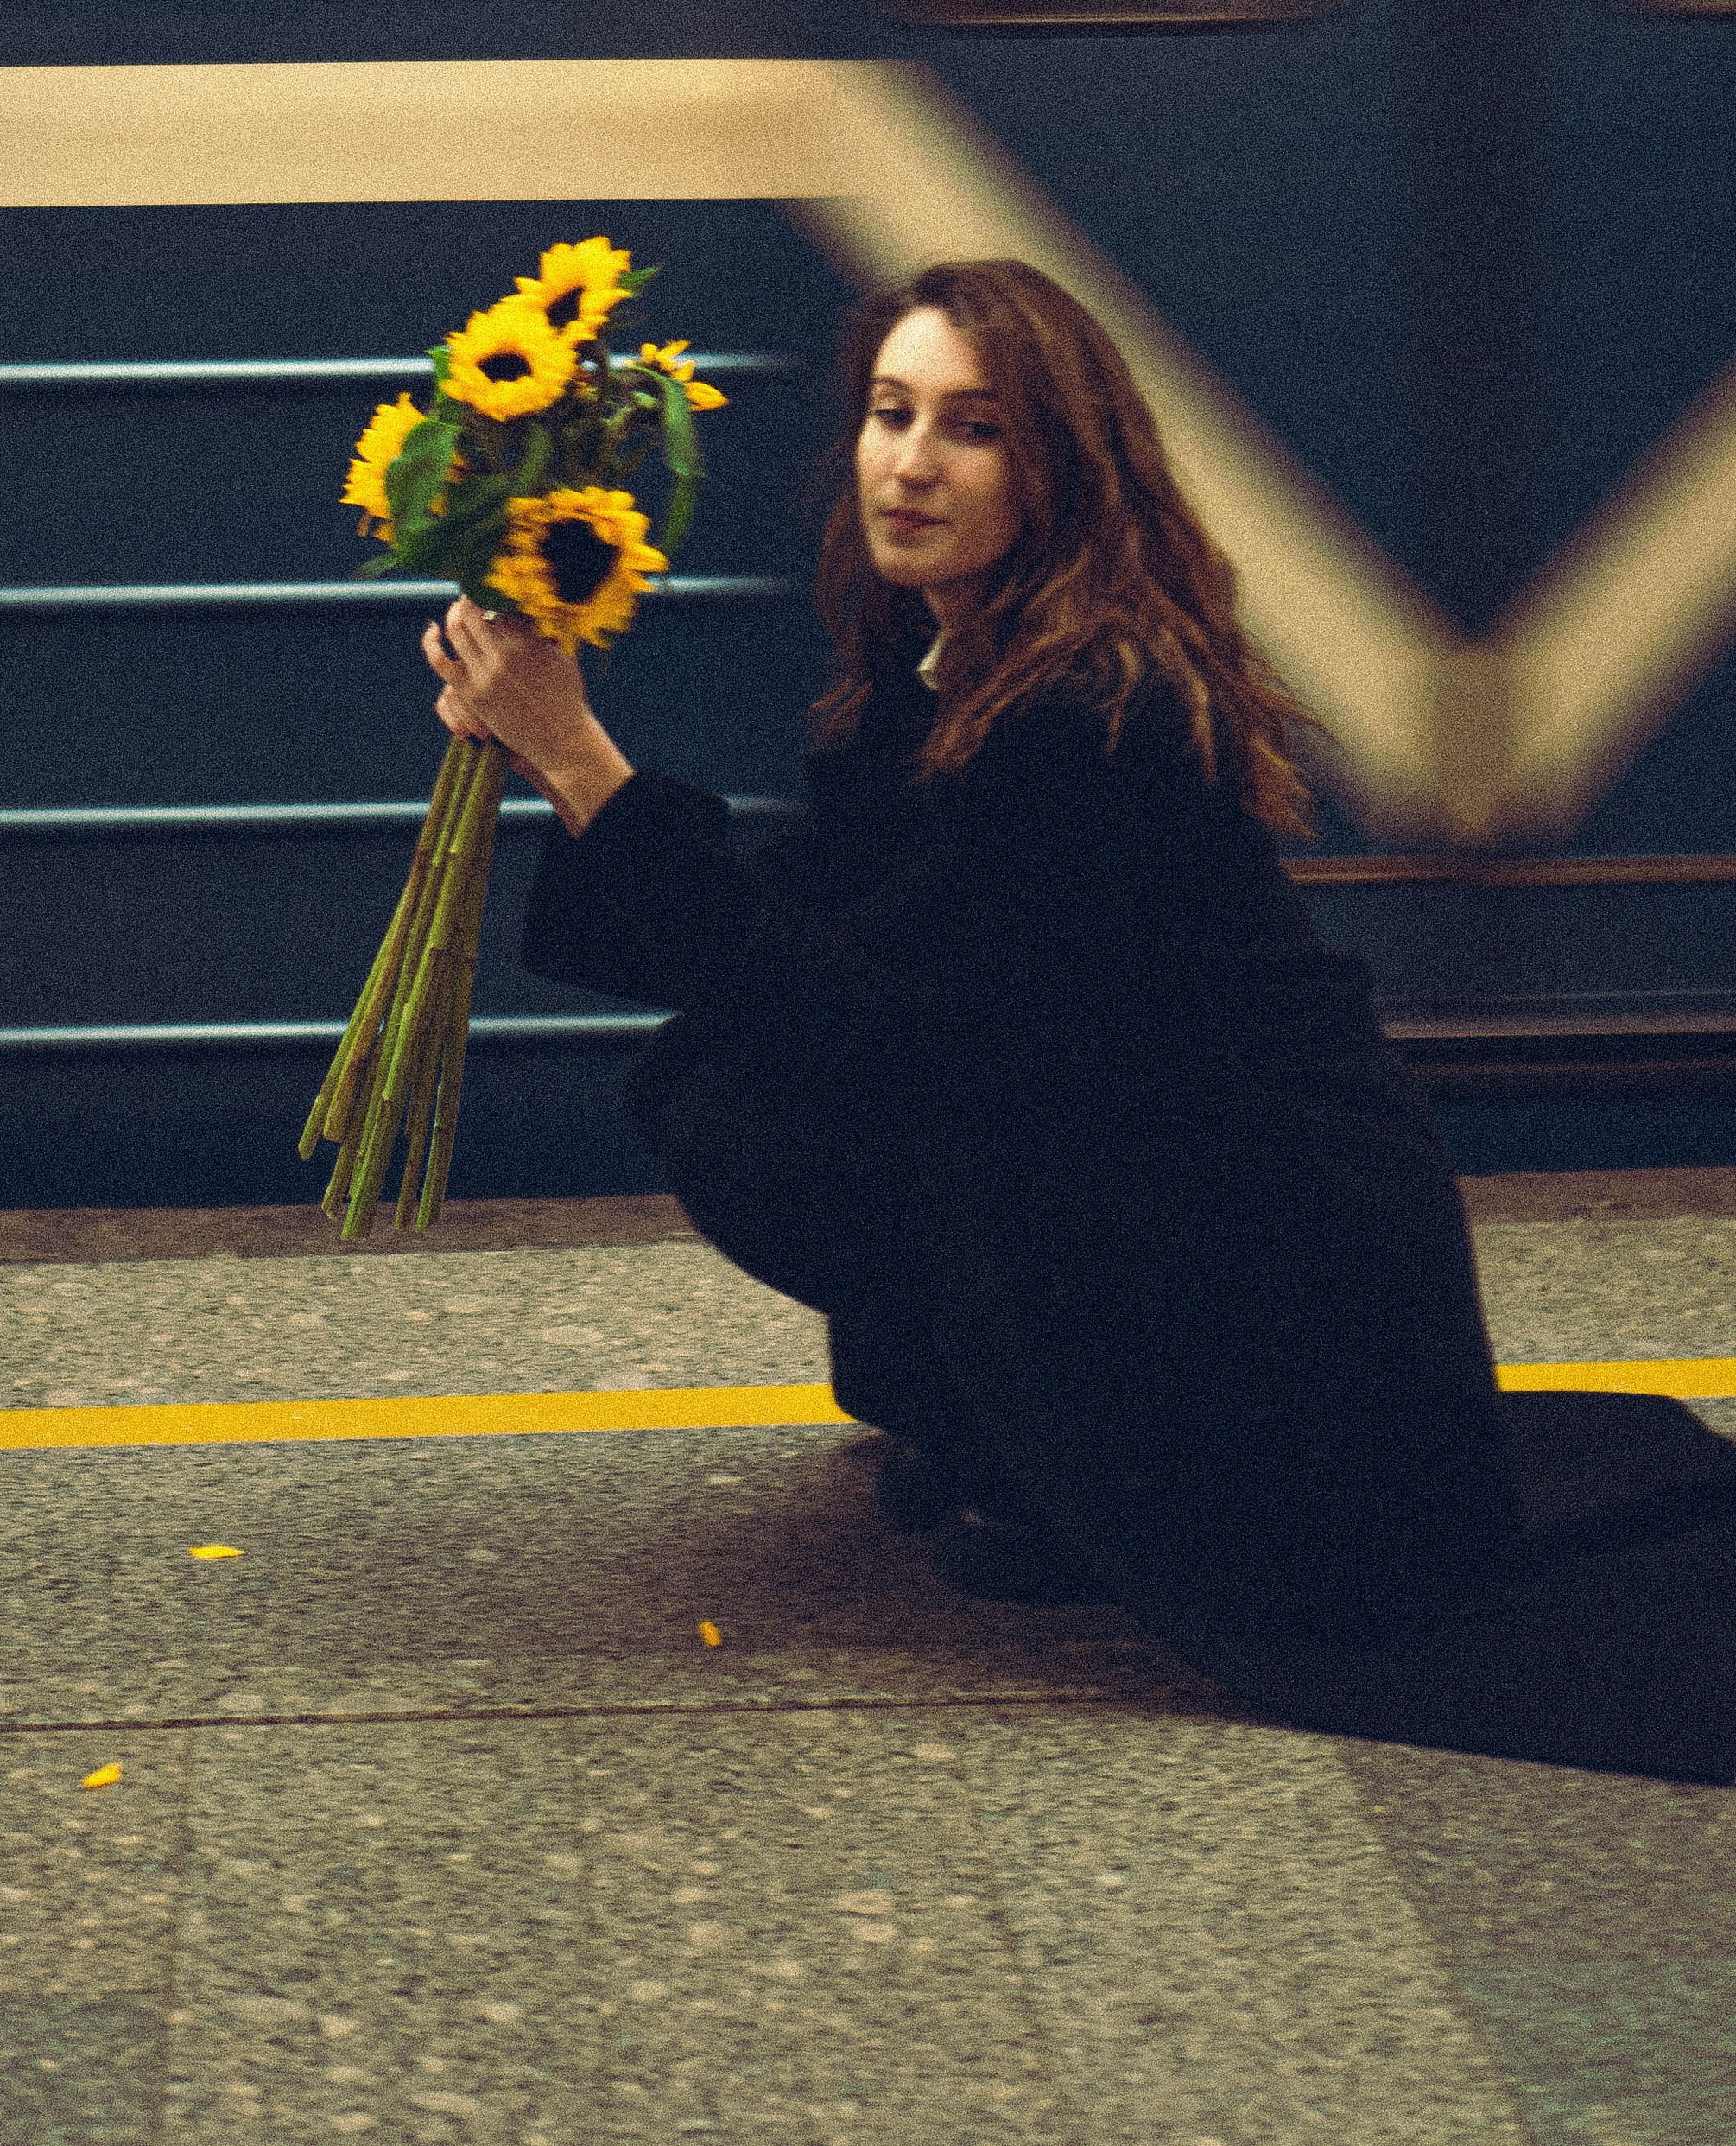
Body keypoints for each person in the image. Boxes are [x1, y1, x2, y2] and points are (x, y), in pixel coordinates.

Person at [422, 257, 1736, 1784]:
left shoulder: (1093, 712)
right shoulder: (962, 660)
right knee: (727, 1075)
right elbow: (820, 923)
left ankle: (1077, 1472)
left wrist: (586, 762)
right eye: (891, 412)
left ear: (1063, 466)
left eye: (972, 427)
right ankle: (1010, 1431)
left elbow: (869, 1029)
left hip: (1264, 1278)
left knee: (776, 1096)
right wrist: (560, 761)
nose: (911, 462)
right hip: (1167, 1201)